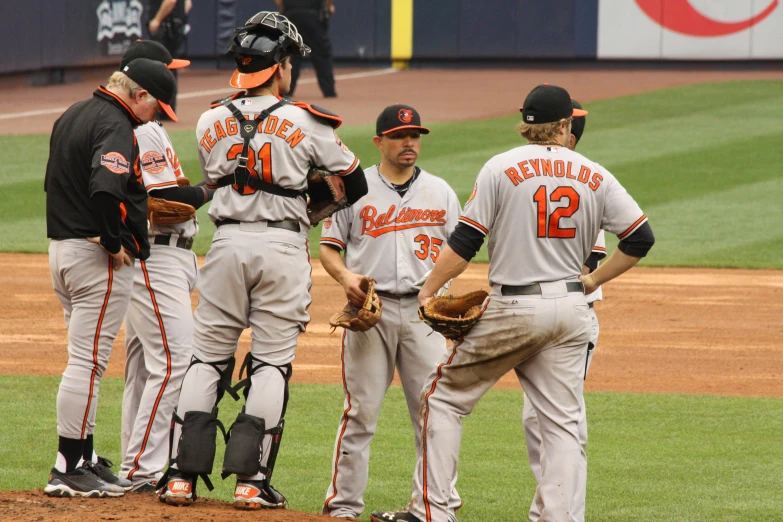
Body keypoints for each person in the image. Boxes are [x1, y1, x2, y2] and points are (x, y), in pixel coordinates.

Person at [371, 84, 654, 522]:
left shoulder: (501, 167)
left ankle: (433, 511)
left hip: (515, 310)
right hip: (573, 312)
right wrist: (593, 278)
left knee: (442, 398)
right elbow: (640, 238)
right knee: (561, 424)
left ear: (526, 123)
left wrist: (428, 290)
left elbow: (466, 241)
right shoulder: (595, 173)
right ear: (565, 125)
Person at [156, 11, 367, 510]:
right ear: (279, 66)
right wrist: (310, 207)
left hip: (226, 246)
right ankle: (251, 483)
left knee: (207, 357)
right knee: (272, 362)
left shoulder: (209, 118)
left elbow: (218, 178)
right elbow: (353, 183)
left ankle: (181, 478)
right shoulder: (306, 120)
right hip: (281, 248)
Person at [320, 105, 462, 520]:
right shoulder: (355, 188)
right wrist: (346, 278)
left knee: (434, 414)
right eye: (400, 136)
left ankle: (433, 508)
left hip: (426, 316)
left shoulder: (440, 191)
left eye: (415, 136)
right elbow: (329, 248)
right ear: (379, 141)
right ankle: (343, 507)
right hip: (370, 314)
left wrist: (439, 292)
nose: (409, 144)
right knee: (360, 412)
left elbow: (460, 250)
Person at [44, 58, 178, 498]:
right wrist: (113, 238)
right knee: (87, 362)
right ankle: (67, 466)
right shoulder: (115, 122)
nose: (155, 117)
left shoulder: (73, 114)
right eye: (155, 107)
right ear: (138, 95)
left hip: (62, 250)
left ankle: (83, 458)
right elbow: (105, 187)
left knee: (86, 360)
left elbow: (57, 183)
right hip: (92, 256)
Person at [115, 40, 213, 494]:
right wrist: (211, 189)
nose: (173, 79)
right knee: (173, 362)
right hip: (157, 257)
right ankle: (141, 468)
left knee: (143, 366)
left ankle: (133, 464)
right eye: (166, 71)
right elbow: (161, 204)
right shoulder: (143, 130)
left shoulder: (132, 126)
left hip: (154, 257)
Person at [520, 99, 608, 522]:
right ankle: (554, 513)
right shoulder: (569, 176)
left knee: (557, 423)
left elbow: (590, 263)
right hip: (549, 315)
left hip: (569, 317)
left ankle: (561, 516)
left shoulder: (585, 181)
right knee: (543, 422)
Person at [273, 0, 337, 98]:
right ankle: (329, 91)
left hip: (291, 13)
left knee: (291, 53)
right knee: (322, 54)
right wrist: (328, 7)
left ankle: (286, 90)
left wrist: (283, 6)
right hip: (312, 14)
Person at [146, 0, 192, 115]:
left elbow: (170, 1)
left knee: (160, 68)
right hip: (175, 27)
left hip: (165, 29)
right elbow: (188, 4)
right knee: (170, 67)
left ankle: (160, 109)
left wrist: (157, 19)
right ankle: (168, 109)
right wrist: (180, 17)